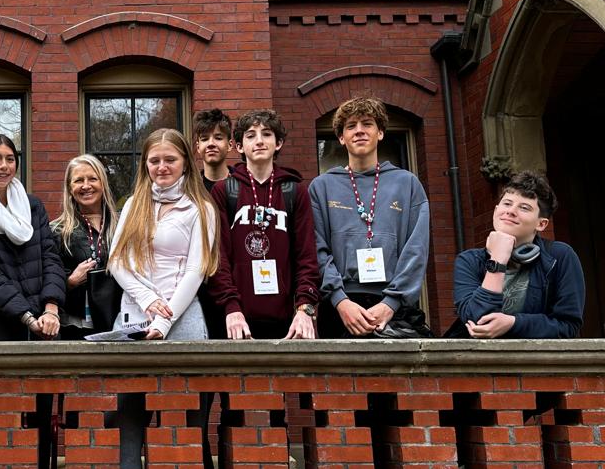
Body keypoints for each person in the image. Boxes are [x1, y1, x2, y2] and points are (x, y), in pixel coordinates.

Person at [107, 128, 219, 469]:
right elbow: (116, 261)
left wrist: (163, 321)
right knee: (127, 409)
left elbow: (196, 270)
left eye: (170, 159)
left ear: (186, 161)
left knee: (185, 411)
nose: (161, 167)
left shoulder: (200, 208)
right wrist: (149, 299)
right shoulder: (133, 204)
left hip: (181, 317)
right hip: (134, 315)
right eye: (154, 160)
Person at [0, 133, 67, 469]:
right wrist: (26, 315)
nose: (3, 165)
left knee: (42, 407)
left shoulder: (33, 206)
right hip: (2, 323)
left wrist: (51, 307)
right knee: (1, 406)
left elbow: (51, 259)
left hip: (44, 324)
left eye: (9, 158)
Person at [309, 97, 430, 339]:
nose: (359, 131)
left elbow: (416, 250)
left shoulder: (407, 184)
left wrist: (390, 304)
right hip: (341, 308)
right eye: (351, 126)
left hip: (395, 307)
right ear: (341, 138)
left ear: (381, 133)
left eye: (367, 124)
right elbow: (316, 249)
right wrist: (340, 301)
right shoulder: (321, 187)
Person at [210, 108, 320, 341]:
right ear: (238, 146)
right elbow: (218, 257)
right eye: (250, 135)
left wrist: (305, 308)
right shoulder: (225, 191)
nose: (259, 141)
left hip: (290, 321)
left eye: (267, 134)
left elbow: (307, 257)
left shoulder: (294, 190)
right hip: (236, 319)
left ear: (278, 143)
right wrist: (230, 307)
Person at [450, 171, 585, 338]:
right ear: (496, 211)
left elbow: (567, 326)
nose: (511, 211)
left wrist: (513, 323)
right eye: (507, 203)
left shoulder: (561, 257)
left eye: (524, 207)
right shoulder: (469, 261)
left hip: (534, 361)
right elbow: (477, 320)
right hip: (479, 361)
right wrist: (497, 260)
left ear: (541, 224)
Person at [51, 154, 121, 337]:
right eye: (78, 180)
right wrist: (70, 281)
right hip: (75, 326)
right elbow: (46, 281)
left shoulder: (123, 224)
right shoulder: (57, 231)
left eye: (92, 179)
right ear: (69, 187)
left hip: (120, 321)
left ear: (103, 183)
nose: (86, 186)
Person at [192, 107, 234, 339]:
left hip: (238, 282)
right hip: (201, 284)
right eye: (204, 138)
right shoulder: (190, 191)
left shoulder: (243, 187)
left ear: (230, 144)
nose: (211, 144)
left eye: (218, 138)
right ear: (197, 146)